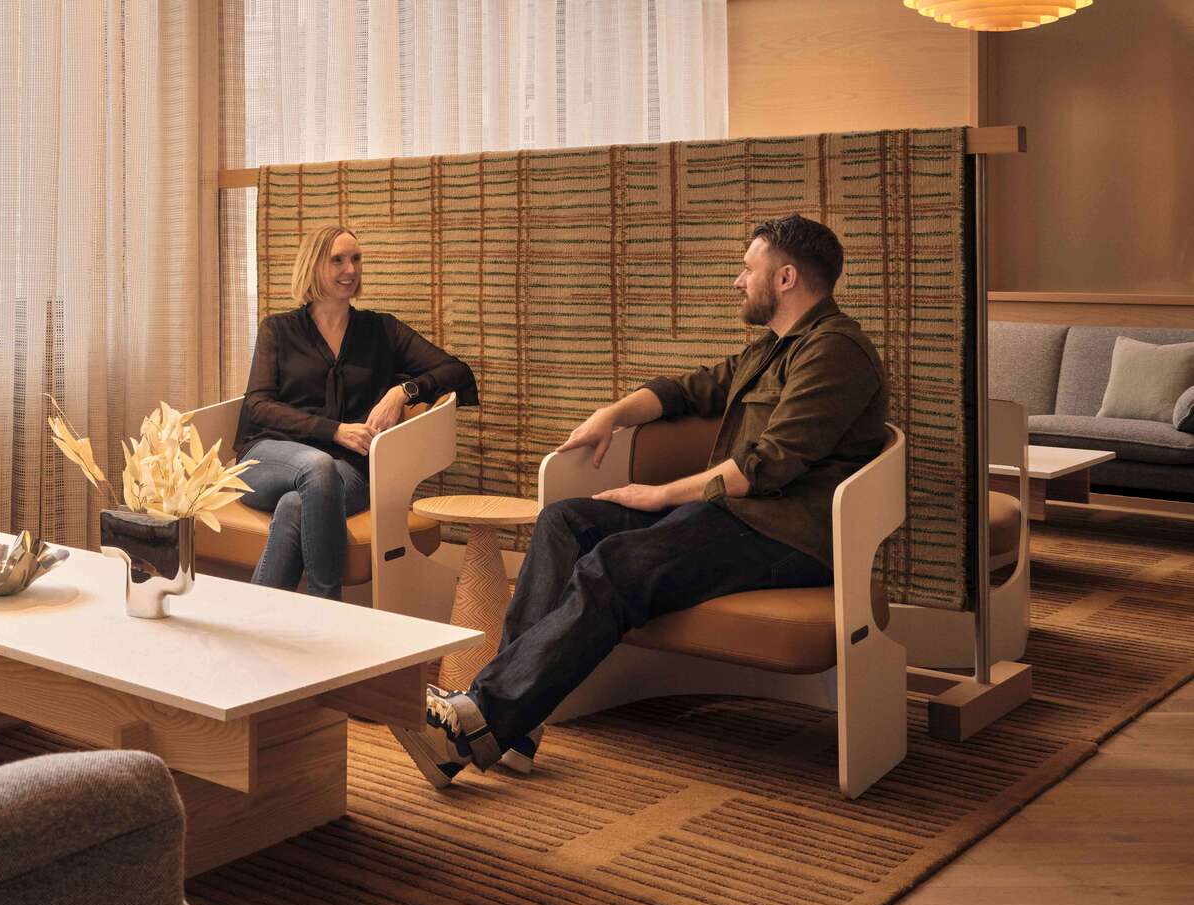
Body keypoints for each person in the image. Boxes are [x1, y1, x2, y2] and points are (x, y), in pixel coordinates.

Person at [399, 213, 888, 786]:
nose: (738, 281)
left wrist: (660, 495)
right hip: (731, 516)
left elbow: (768, 465)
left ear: (784, 279)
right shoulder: (772, 350)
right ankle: (512, 726)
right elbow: (689, 390)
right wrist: (611, 415)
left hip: (784, 534)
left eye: (746, 268)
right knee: (564, 521)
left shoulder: (837, 353)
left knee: (613, 566)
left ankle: (481, 719)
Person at [235, 223, 478, 600]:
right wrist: (332, 429)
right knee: (317, 466)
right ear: (313, 266)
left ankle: (255, 628)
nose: (350, 270)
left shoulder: (381, 331)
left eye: (356, 259)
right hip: (269, 457)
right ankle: (329, 607)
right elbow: (259, 406)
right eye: (338, 260)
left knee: (297, 504)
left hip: (351, 470)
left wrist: (403, 391)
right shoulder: (278, 330)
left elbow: (456, 371)